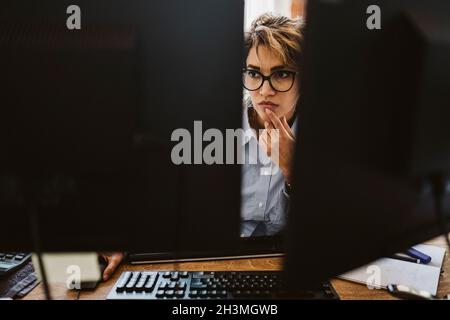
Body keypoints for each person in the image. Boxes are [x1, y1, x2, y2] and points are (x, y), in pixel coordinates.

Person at [101, 13, 304, 280]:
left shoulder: (324, 139)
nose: (264, 90)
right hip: (214, 263)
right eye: (254, 73)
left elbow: (332, 233)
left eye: (281, 74)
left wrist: (293, 171)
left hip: (281, 271)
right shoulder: (213, 126)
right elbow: (168, 207)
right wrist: (126, 243)